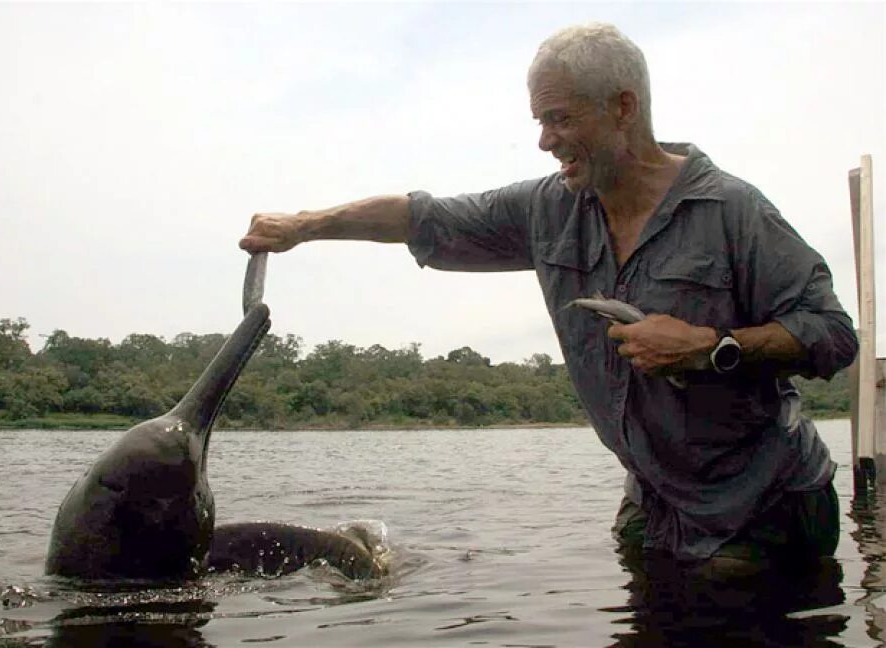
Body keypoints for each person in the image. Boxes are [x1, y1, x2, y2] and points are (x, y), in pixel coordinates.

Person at [239, 22, 858, 574]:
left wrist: (712, 347)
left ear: (623, 108)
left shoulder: (733, 210)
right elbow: (420, 216)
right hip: (656, 502)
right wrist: (305, 225)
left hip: (761, 507)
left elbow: (831, 333)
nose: (544, 139)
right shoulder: (548, 209)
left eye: (560, 119)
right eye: (539, 120)